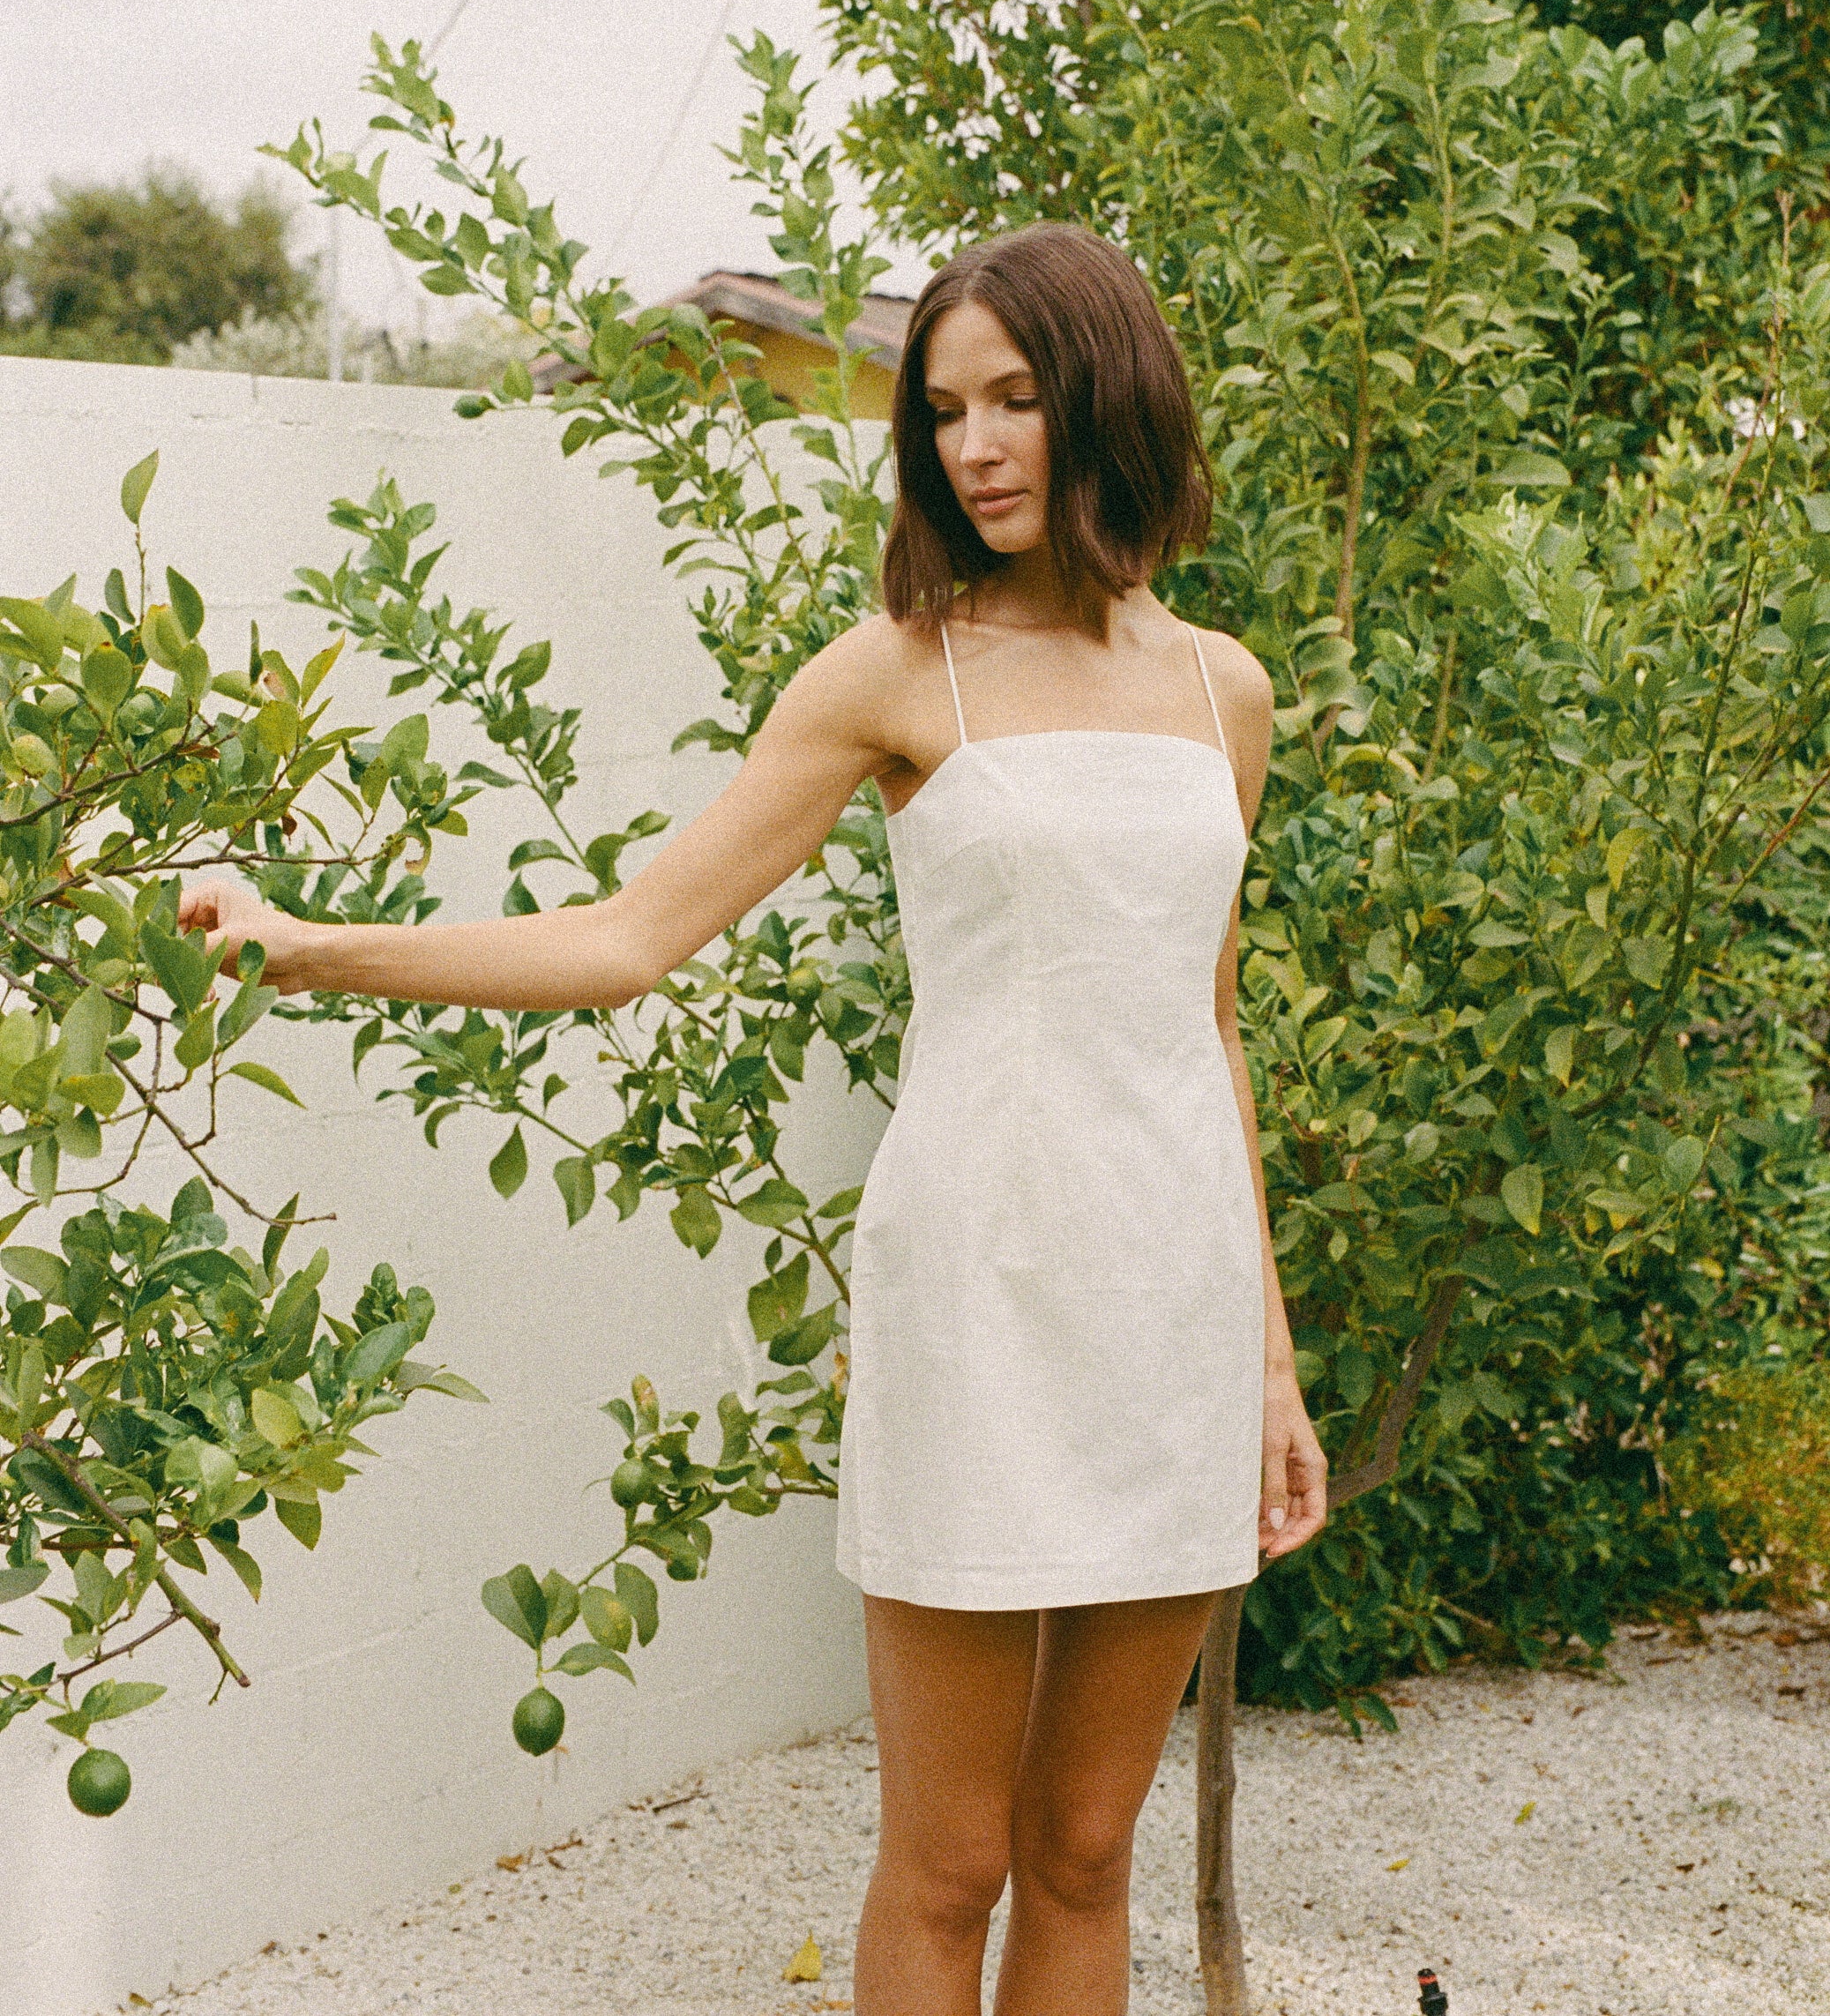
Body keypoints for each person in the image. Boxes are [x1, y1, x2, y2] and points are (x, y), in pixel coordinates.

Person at [182, 221, 1328, 2015]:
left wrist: (1267, 1361)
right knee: (953, 1862)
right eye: (945, 408)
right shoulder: (895, 671)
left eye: (1017, 396)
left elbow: (1205, 1022)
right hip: (982, 1299)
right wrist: (316, 946)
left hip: (1169, 1317)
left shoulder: (1223, 689)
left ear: (1113, 391)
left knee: (1090, 1846)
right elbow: (628, 936)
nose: (975, 443)